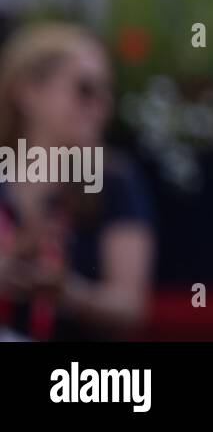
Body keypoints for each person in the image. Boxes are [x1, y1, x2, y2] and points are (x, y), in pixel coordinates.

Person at [0, 22, 155, 340]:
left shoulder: (112, 179)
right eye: (85, 89)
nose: (100, 104)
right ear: (28, 91)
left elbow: (130, 308)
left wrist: (68, 292)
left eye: (105, 91)